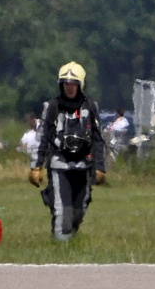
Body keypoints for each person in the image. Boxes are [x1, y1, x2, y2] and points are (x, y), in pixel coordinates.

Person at [29, 62, 105, 241]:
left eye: (73, 84)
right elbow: (43, 138)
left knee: (80, 209)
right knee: (63, 210)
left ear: (80, 85)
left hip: (83, 166)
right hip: (59, 164)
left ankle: (70, 235)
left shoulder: (91, 107)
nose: (69, 87)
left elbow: (98, 139)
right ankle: (61, 245)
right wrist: (36, 166)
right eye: (66, 84)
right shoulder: (52, 107)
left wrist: (100, 166)